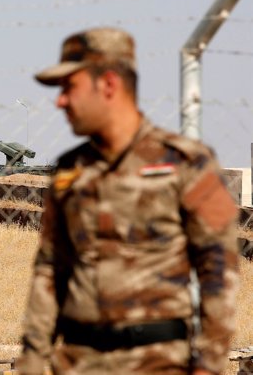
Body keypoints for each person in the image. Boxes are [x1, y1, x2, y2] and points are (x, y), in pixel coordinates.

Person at [15, 27, 240, 375]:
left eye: (68, 87)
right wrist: (32, 360)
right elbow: (49, 268)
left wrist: (209, 365)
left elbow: (218, 267)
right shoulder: (68, 171)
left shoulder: (187, 163)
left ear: (108, 85)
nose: (60, 101)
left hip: (158, 363)